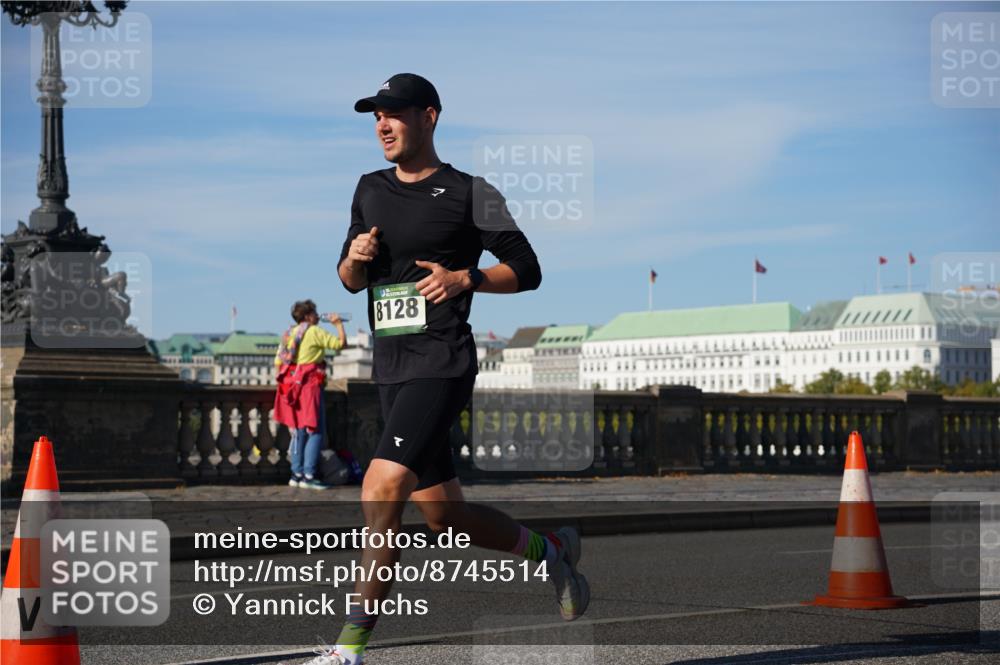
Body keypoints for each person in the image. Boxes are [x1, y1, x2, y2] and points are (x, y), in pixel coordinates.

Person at [301, 74, 589, 665]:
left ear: (428, 116)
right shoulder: (368, 188)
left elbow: (527, 268)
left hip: (442, 360)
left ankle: (349, 647)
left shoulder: (469, 191)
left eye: (393, 113)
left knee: (380, 486)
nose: (381, 123)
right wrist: (352, 262)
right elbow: (351, 279)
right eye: (374, 115)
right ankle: (552, 550)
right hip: (392, 364)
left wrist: (468, 277)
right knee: (444, 517)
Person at [273, 299, 346, 490]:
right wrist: (337, 324)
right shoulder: (314, 331)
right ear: (308, 316)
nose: (317, 316)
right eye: (315, 313)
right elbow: (340, 344)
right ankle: (308, 475)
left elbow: (278, 362)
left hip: (290, 387)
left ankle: (296, 474)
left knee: (298, 432)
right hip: (309, 386)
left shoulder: (289, 333)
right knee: (315, 431)